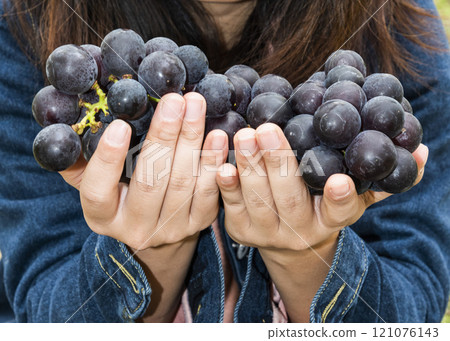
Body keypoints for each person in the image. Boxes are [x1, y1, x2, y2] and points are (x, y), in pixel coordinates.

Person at [0, 0, 449, 323]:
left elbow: (413, 312)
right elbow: (44, 314)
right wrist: (150, 251)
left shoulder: (400, 24)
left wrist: (305, 259)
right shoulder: (23, 21)